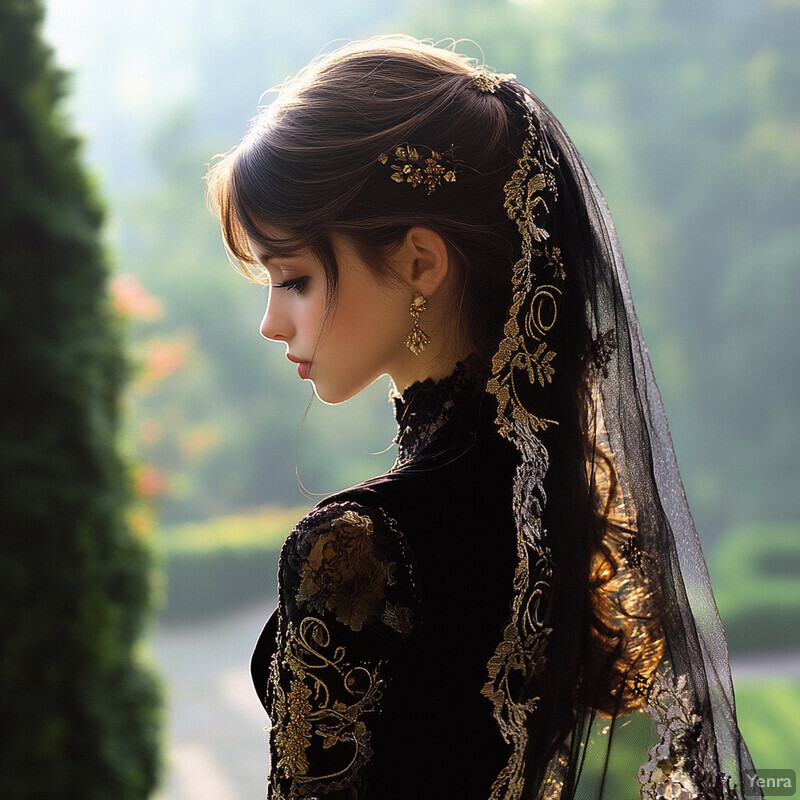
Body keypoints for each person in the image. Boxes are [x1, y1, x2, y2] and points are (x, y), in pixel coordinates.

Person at [206, 35, 760, 800]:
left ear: (419, 263)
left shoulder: (357, 546)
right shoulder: (558, 499)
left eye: (294, 278)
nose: (271, 322)